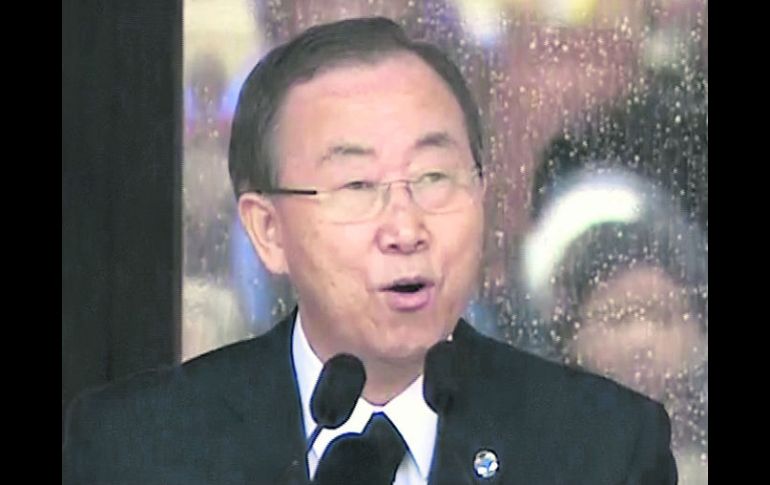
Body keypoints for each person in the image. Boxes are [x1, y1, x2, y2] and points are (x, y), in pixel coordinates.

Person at [63, 17, 677, 485]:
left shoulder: (604, 450)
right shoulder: (138, 450)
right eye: (357, 186)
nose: (405, 228)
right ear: (268, 230)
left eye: (434, 177)